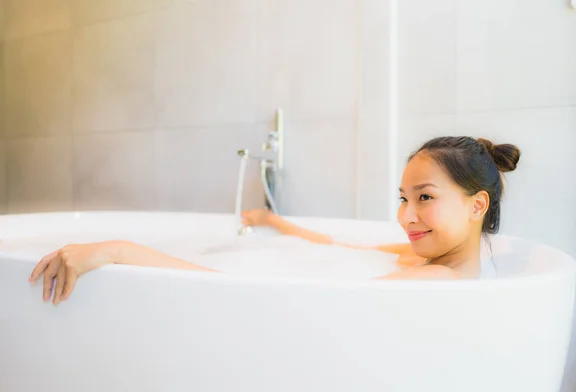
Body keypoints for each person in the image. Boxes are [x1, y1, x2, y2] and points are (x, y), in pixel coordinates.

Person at [28, 136, 520, 305]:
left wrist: (117, 250)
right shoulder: (442, 265)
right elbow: (337, 246)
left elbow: (242, 292)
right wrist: (277, 224)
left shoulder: (431, 279)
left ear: (477, 205)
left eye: (424, 197)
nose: (405, 216)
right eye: (402, 198)